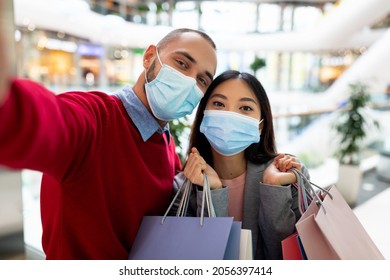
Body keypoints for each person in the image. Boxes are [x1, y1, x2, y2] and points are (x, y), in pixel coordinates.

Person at [0, 25, 217, 259]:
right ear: (149, 57)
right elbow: (33, 121)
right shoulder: (93, 121)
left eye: (202, 80)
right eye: (182, 63)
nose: (189, 81)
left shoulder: (165, 143)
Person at [173, 70, 310, 260]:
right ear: (204, 114)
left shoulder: (289, 175)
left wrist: (273, 188)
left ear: (260, 126)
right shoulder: (184, 185)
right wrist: (213, 191)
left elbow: (286, 256)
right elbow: (205, 259)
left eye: (245, 108)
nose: (229, 116)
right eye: (219, 104)